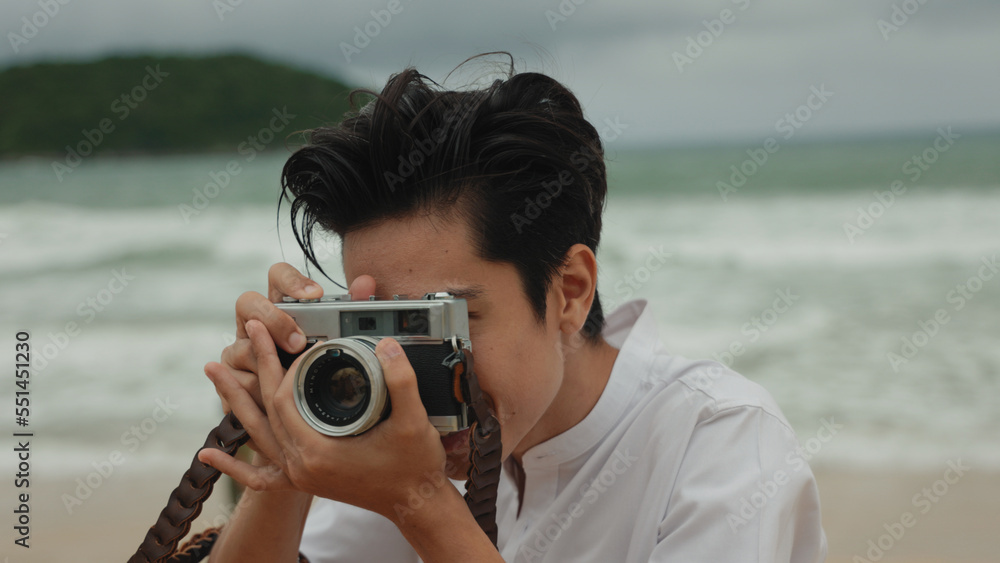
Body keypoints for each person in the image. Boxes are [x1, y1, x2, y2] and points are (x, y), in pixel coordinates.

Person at [197, 56, 827, 562]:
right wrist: (285, 467)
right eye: (380, 327)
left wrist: (421, 502)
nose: (405, 373)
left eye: (440, 322)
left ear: (570, 291)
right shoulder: (392, 442)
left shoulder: (722, 444)